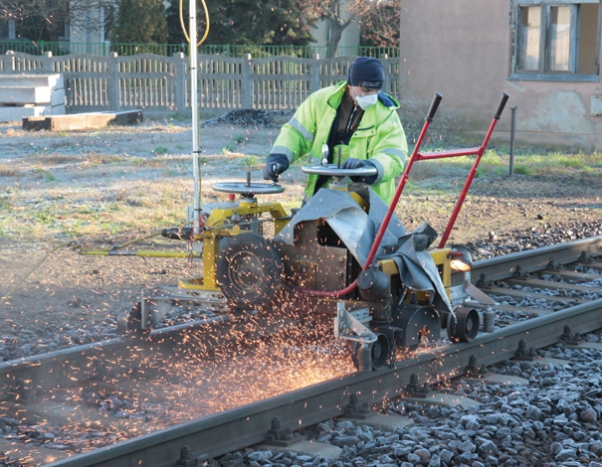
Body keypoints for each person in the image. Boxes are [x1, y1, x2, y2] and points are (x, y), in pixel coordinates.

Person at [262, 56, 407, 205]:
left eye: (375, 91)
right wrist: (279, 157)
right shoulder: (320, 101)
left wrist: (371, 166)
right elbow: (296, 133)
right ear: (350, 84)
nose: (371, 96)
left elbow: (393, 154)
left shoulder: (386, 113)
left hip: (368, 203)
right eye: (365, 90)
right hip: (321, 196)